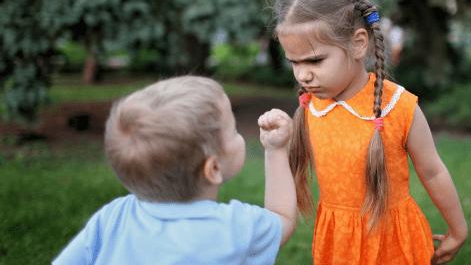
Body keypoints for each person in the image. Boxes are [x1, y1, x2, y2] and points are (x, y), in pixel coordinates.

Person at [272, 0, 468, 265]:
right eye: (293, 62)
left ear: (358, 43)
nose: (302, 74)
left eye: (314, 60)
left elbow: (432, 171)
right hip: (338, 245)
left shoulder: (397, 106)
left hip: (394, 244)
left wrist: (458, 229)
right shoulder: (311, 105)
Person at [51, 75, 297, 265]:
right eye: (232, 130)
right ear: (212, 168)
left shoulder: (113, 217)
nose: (238, 134)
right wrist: (275, 151)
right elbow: (282, 217)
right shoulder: (237, 227)